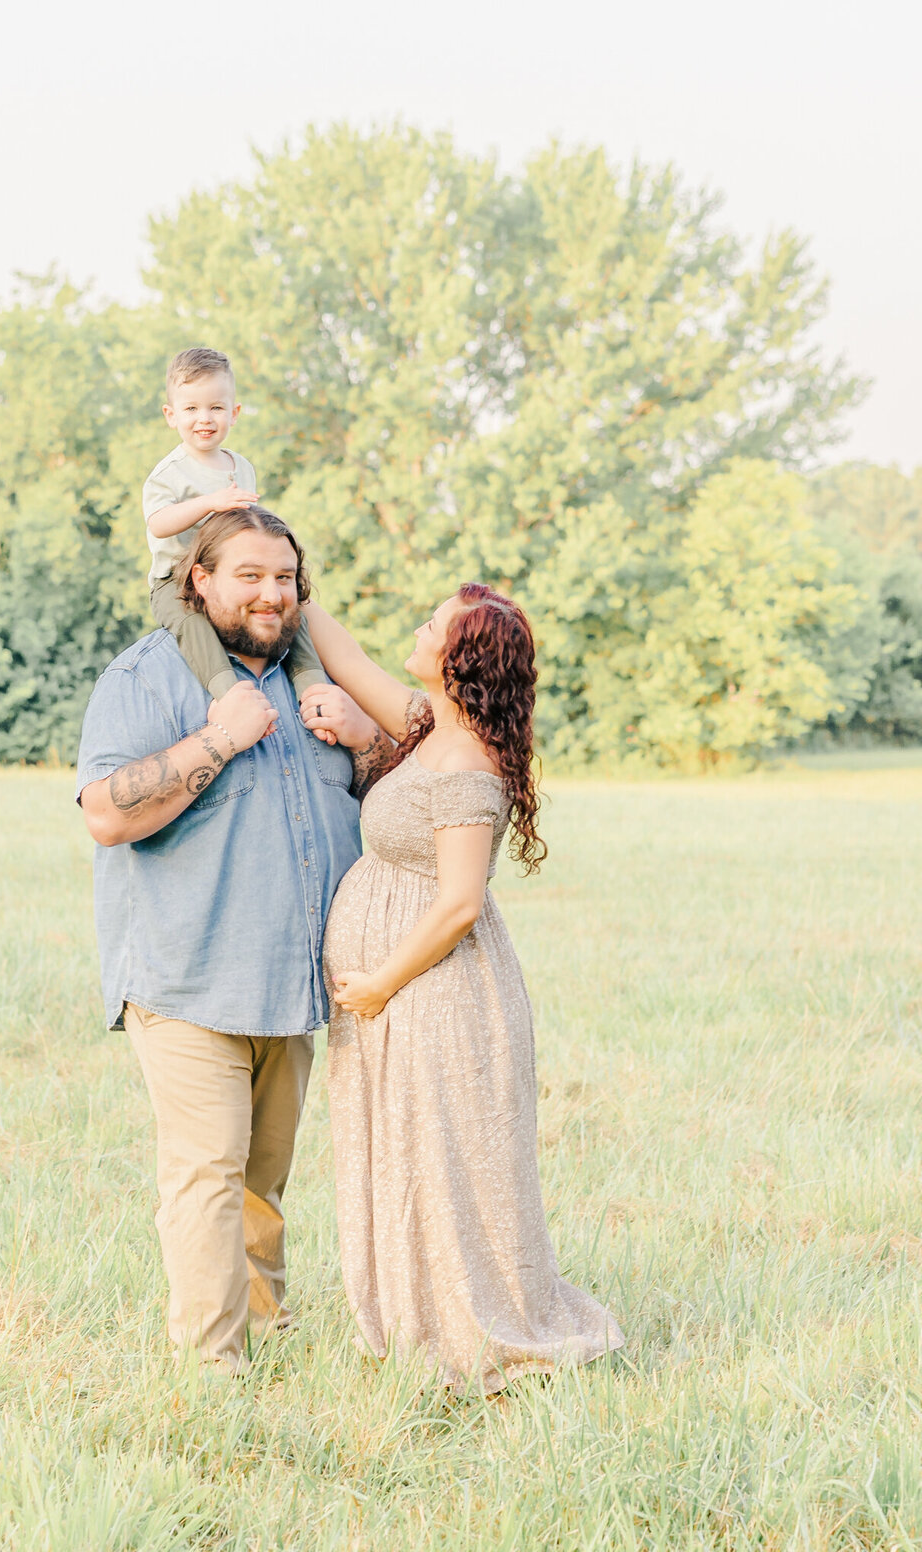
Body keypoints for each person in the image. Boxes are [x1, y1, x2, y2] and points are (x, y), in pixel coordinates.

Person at [76, 506, 387, 1374]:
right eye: (247, 575)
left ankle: (269, 1330)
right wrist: (218, 738)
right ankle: (214, 1371)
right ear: (198, 581)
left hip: (294, 985)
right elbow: (105, 815)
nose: (270, 593)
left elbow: (395, 798)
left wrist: (364, 739)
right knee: (209, 1172)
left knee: (262, 1180)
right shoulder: (145, 678)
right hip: (187, 978)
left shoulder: (321, 681)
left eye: (284, 577)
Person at [300, 584, 625, 1391]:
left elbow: (457, 904)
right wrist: (284, 573)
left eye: (432, 625)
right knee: (404, 1148)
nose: (417, 627)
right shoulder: (425, 724)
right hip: (399, 993)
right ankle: (413, 1314)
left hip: (434, 993)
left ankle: (463, 1325)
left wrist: (378, 982)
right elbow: (346, 656)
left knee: (441, 1158)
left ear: (460, 660)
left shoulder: (469, 765)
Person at [143, 346, 327, 709]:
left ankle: (312, 685)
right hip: (176, 580)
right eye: (191, 408)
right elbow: (159, 523)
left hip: (234, 574)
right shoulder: (169, 474)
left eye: (216, 407)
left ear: (234, 413)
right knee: (192, 624)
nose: (204, 418)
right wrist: (209, 503)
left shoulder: (240, 465)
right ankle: (229, 694)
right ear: (171, 415)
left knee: (292, 613)